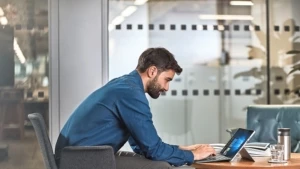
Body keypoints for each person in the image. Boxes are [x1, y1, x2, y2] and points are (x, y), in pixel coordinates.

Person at [54, 47, 216, 169]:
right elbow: (154, 150)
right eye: (167, 79)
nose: (166, 88)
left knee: (156, 162)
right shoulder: (130, 93)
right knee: (161, 167)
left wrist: (182, 149)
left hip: (77, 157)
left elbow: (142, 145)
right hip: (82, 161)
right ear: (153, 71)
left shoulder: (125, 85)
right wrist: (193, 155)